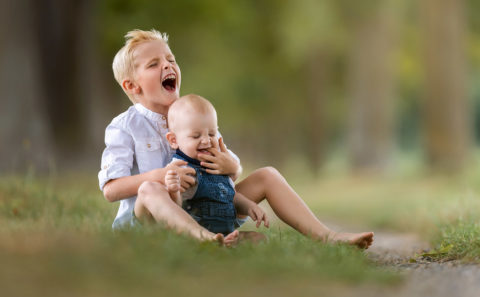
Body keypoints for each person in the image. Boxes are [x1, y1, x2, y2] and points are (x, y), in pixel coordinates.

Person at [98, 29, 374, 248]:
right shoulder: (125, 127)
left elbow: (227, 174)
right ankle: (202, 240)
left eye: (170, 59)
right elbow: (110, 189)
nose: (167, 66)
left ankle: (326, 237)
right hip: (152, 219)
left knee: (268, 175)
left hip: (204, 208)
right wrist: (161, 175)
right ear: (132, 86)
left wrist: (233, 168)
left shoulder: (193, 113)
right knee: (150, 189)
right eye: (154, 64)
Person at [164, 94, 269, 238]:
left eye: (212, 134)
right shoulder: (182, 169)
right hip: (197, 235)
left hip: (226, 231)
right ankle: (209, 240)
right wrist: (173, 190)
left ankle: (227, 241)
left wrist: (250, 206)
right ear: (174, 140)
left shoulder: (217, 163)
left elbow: (230, 195)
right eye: (196, 136)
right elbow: (175, 210)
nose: (206, 141)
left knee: (260, 239)